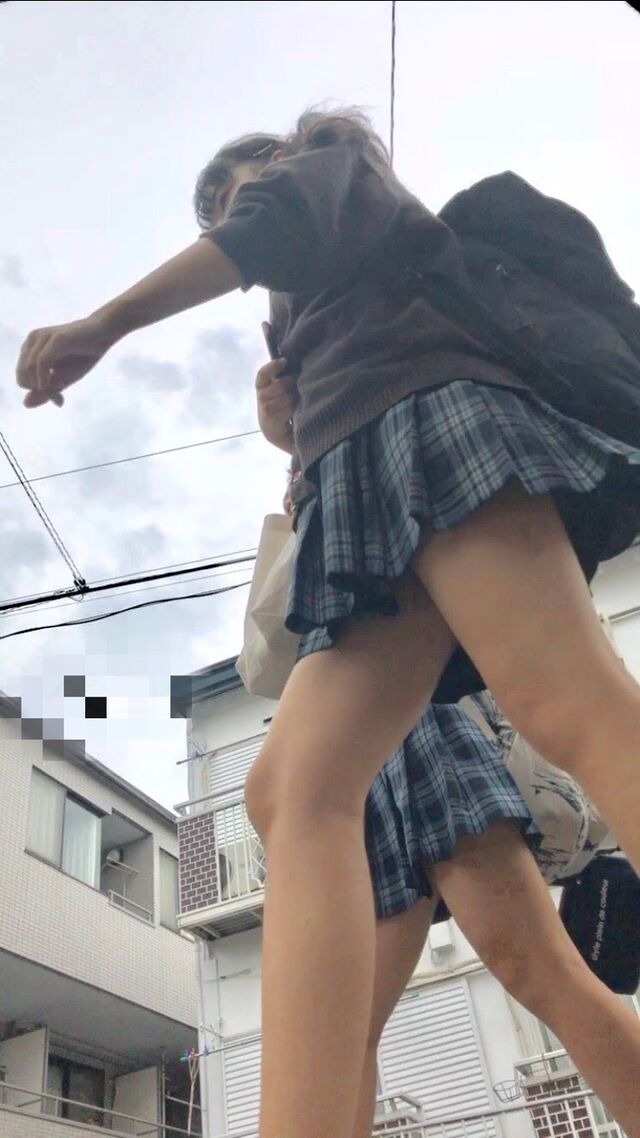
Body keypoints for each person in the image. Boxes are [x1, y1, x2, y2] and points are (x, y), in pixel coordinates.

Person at [16, 110, 640, 1137]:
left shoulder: (326, 164)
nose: (231, 213)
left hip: (430, 416)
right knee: (291, 787)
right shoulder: (321, 307)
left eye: (237, 189)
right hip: (369, 477)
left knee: (564, 699)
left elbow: (270, 224)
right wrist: (293, 436)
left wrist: (105, 323)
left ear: (280, 163)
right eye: (218, 207)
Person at [257, 358, 640, 1138]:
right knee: (352, 1022)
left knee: (531, 965)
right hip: (366, 733)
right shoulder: (340, 432)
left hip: (422, 718)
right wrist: (290, 443)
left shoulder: (395, 378)